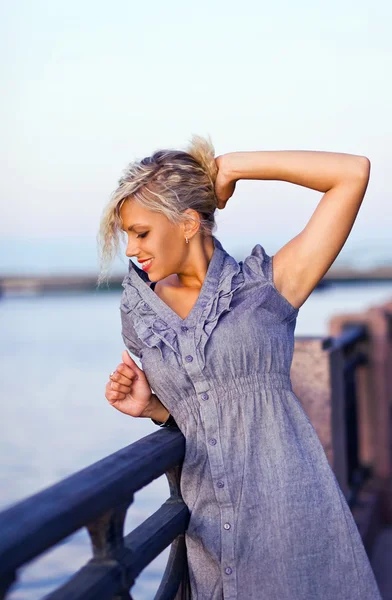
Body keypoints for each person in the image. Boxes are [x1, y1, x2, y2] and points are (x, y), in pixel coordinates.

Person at [99, 137, 382, 599]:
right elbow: (200, 413)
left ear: (188, 223)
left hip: (292, 526)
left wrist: (232, 167)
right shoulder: (139, 314)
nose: (130, 248)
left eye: (141, 232)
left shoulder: (267, 287)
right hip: (209, 539)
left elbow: (352, 173)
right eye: (127, 234)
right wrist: (155, 408)